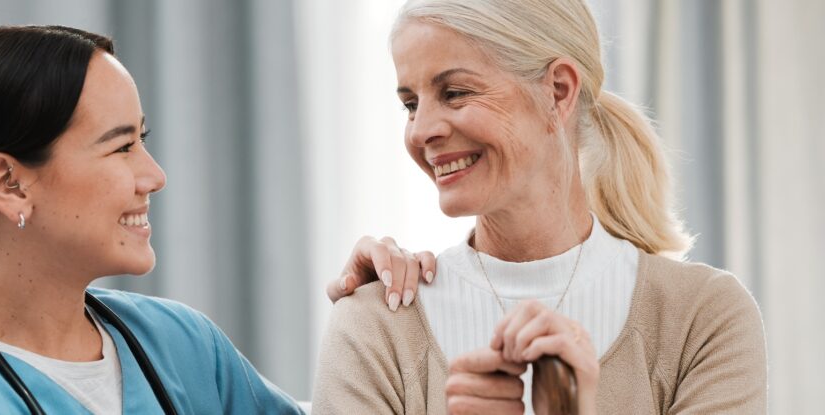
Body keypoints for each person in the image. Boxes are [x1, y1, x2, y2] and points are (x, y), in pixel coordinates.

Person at [0, 25, 432, 414]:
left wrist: (372, 312)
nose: (154, 176)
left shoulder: (182, 345)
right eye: (120, 147)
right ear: (9, 183)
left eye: (143, 140)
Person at [312, 0, 767, 414]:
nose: (421, 130)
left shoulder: (702, 318)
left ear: (559, 90)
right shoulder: (374, 326)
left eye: (455, 93)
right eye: (411, 104)